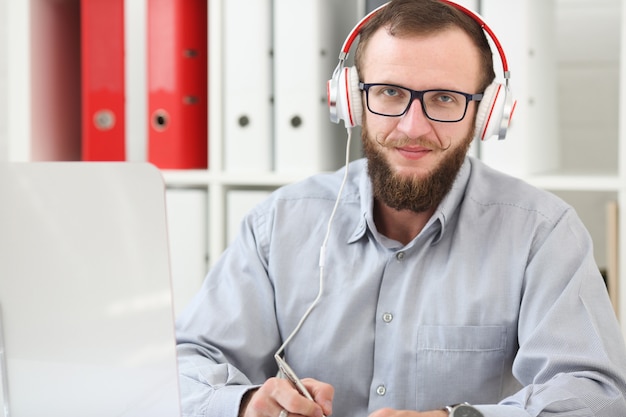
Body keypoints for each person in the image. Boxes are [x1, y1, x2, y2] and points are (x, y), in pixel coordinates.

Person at [175, 0, 626, 416]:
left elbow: (595, 393)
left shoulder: (543, 233)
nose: (413, 127)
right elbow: (186, 365)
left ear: (487, 113)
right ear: (351, 100)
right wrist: (248, 402)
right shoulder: (279, 224)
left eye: (444, 99)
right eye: (390, 93)